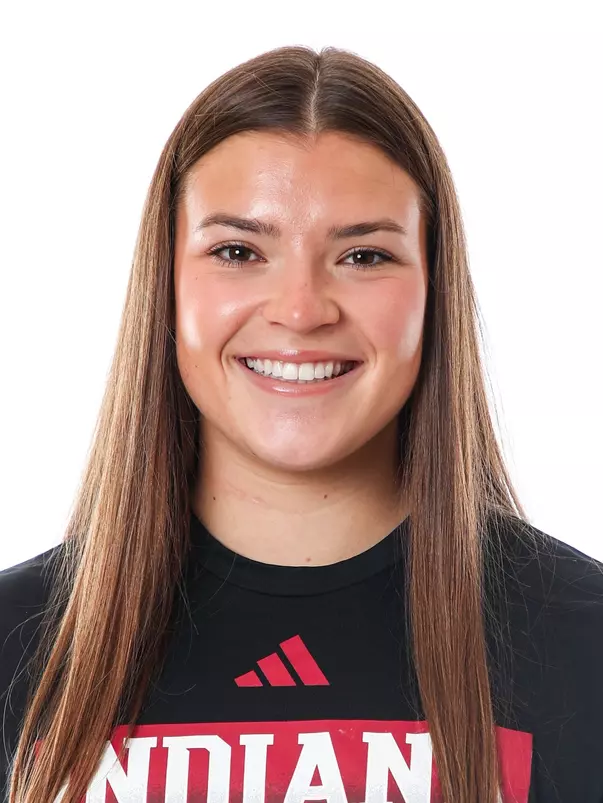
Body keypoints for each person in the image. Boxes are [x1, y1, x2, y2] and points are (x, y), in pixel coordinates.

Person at [1, 44, 602, 803]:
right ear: (167, 287)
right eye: (237, 250)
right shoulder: (15, 646)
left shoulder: (585, 643)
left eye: (362, 254)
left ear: (432, 291)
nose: (300, 309)